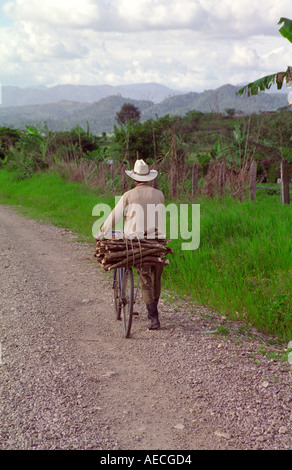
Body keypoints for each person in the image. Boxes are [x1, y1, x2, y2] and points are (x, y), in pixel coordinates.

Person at [95, 159, 165, 330]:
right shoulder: (159, 194)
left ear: (134, 179)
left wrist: (102, 231)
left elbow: (115, 216)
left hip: (136, 242)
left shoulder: (128, 195)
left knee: (145, 277)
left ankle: (153, 318)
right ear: (148, 178)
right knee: (156, 277)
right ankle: (153, 316)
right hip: (157, 241)